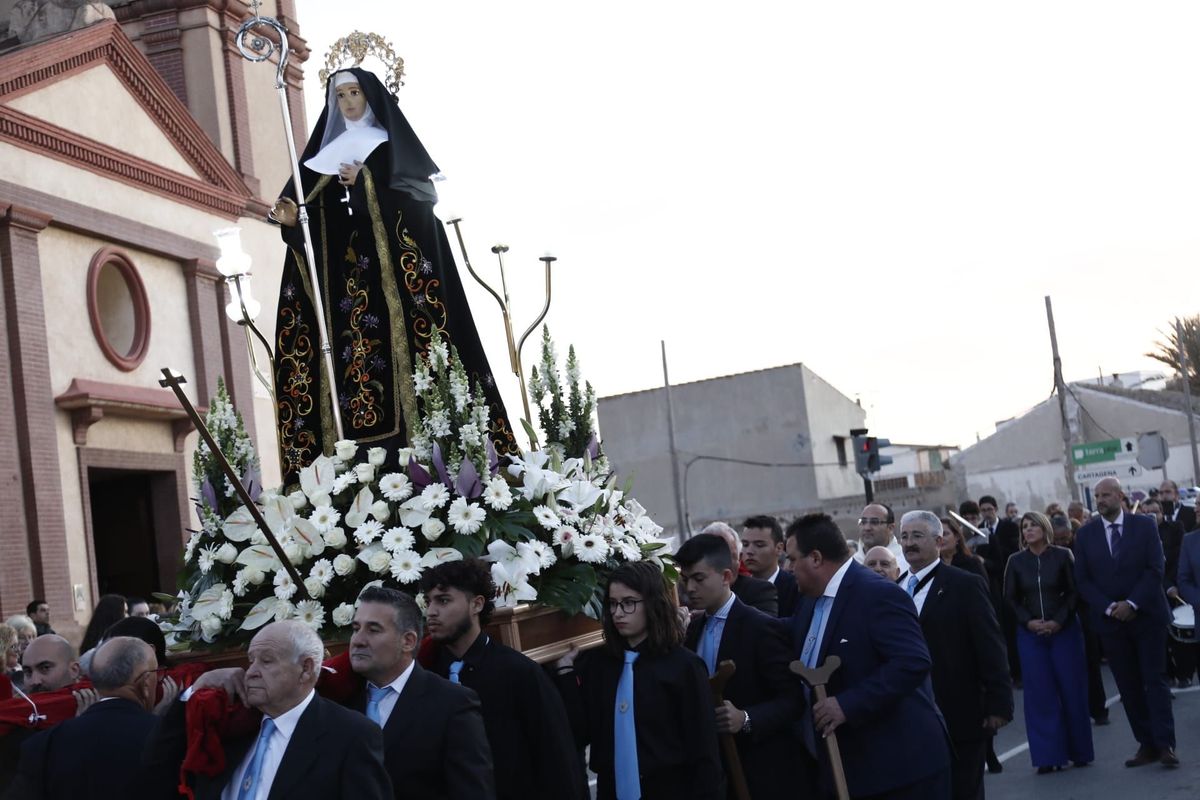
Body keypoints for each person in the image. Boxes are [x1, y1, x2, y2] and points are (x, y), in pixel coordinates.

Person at [270, 67, 513, 483]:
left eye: (355, 93)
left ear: (372, 98)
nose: (347, 102)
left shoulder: (389, 147)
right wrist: (293, 221)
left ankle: (432, 467)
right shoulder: (317, 162)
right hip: (344, 299)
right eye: (340, 94)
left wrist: (367, 185)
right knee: (350, 377)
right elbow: (310, 228)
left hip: (396, 293)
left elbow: (420, 210)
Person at [786, 513, 951, 799]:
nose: (788, 568)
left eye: (792, 559)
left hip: (901, 771)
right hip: (850, 771)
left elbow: (912, 662)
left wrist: (846, 705)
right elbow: (789, 632)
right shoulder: (812, 600)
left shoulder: (877, 594)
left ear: (815, 558)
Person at [146, 620, 393, 799]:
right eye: (251, 660)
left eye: (266, 661)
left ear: (306, 669)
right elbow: (155, 770)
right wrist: (195, 691)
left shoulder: (350, 735)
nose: (251, 671)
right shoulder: (232, 722)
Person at [555, 561, 723, 799]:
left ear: (653, 604)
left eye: (629, 603)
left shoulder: (684, 666)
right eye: (612, 604)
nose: (618, 613)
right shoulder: (600, 664)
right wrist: (565, 673)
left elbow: (704, 751)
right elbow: (582, 733)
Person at [419, 561, 584, 800]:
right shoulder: (427, 675)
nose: (431, 612)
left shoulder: (519, 673)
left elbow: (557, 760)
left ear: (476, 604)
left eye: (443, 601)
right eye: (429, 602)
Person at [676, 533, 801, 799]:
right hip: (713, 773)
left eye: (699, 579)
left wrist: (746, 718)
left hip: (761, 772)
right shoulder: (691, 630)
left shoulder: (761, 627)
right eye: (685, 579)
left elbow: (792, 699)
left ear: (726, 576)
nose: (690, 589)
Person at [900, 510, 1012, 800]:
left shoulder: (964, 584)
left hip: (959, 711)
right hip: (911, 714)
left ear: (938, 541)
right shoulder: (893, 589)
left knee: (963, 790)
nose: (909, 543)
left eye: (917, 536)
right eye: (904, 536)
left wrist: (998, 704)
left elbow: (989, 644)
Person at [347, 585, 495, 799]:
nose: (358, 640)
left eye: (373, 629)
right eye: (355, 628)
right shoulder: (340, 700)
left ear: (408, 641)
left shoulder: (451, 704)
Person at [1074, 477, 1176, 767]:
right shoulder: (1086, 534)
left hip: (1147, 616)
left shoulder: (1144, 526)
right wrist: (1109, 607)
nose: (1100, 500)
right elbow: (1083, 579)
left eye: (1106, 494)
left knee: (1154, 681)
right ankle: (1146, 744)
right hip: (1111, 622)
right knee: (1128, 686)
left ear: (1121, 496)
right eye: (1096, 495)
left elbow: (1155, 568)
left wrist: (1132, 603)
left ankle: (1165, 743)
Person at [10, 637, 161, 799]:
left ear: (75, 670)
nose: (35, 681)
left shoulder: (47, 742)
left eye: (45, 668)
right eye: (27, 672)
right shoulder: (28, 737)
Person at [1004, 511, 1094, 773]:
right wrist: (1029, 622)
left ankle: (1080, 751)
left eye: (1033, 525)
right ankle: (1047, 756)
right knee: (1039, 695)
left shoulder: (1063, 556)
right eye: (1024, 526)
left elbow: (1074, 592)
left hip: (1064, 631)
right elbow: (1010, 598)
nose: (1028, 530)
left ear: (1045, 529)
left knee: (1072, 690)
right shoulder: (1016, 561)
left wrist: (1058, 621)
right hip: (1030, 634)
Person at [1050, 514, 1108, 722]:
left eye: (1065, 538)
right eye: (1057, 540)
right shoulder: (1049, 553)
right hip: (1059, 613)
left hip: (1084, 611)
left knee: (1090, 663)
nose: (1062, 543)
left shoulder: (1082, 549)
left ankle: (1099, 709)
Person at [701, 522, 777, 615]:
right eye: (713, 557)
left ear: (739, 558)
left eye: (729, 556)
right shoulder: (691, 593)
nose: (723, 564)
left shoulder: (761, 591)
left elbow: (766, 626)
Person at [741, 514, 800, 617]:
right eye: (745, 545)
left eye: (759, 545)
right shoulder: (736, 591)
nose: (749, 551)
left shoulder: (796, 588)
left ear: (779, 548)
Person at [857, 502, 909, 574]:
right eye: (863, 522)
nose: (867, 528)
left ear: (890, 528)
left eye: (874, 522)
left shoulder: (906, 562)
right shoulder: (851, 563)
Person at [939, 516, 987, 581]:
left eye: (945, 534)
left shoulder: (973, 563)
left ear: (957, 536)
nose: (941, 539)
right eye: (937, 535)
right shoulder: (932, 565)